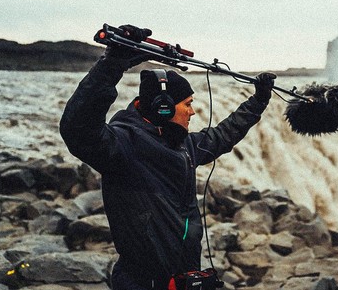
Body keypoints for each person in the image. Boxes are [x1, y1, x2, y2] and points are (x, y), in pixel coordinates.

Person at [59, 25, 276, 290]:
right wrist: (112, 63)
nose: (193, 112)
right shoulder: (122, 146)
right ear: (162, 108)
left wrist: (258, 101)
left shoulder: (182, 144)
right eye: (187, 104)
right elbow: (77, 128)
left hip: (184, 278)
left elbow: (223, 135)